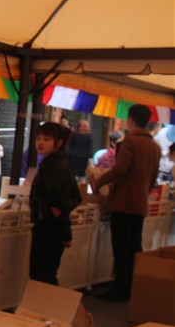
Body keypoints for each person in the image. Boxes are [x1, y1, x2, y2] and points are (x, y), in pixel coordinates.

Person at [94, 104, 161, 302]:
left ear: (130, 120)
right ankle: (131, 288)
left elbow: (120, 169)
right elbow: (153, 178)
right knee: (134, 247)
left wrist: (99, 182)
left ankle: (120, 289)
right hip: (140, 204)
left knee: (121, 248)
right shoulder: (155, 147)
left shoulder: (130, 141)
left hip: (123, 202)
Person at [28, 122, 81, 285]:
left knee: (41, 275)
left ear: (58, 143)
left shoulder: (52, 167)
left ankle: (48, 303)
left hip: (48, 227)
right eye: (38, 138)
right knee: (47, 273)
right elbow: (76, 197)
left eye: (47, 139)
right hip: (54, 227)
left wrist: (65, 232)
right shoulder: (62, 163)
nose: (40, 142)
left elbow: (60, 201)